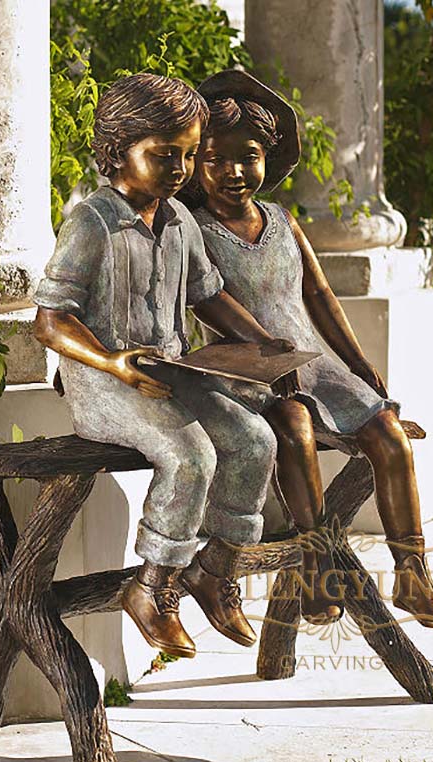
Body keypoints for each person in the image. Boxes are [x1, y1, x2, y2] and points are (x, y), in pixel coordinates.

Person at [186, 69, 433, 629]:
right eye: (216, 159)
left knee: (387, 431)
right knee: (294, 428)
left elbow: (318, 295)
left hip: (315, 361)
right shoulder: (191, 228)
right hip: (248, 373)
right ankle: (317, 567)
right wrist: (267, 353)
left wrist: (358, 365)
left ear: (268, 158)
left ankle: (413, 576)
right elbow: (207, 303)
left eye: (250, 156)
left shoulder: (284, 222)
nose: (235, 172)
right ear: (195, 163)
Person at [33, 73, 294, 659]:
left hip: (172, 371)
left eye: (187, 155)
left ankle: (214, 570)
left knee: (254, 440)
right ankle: (153, 587)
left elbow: (207, 295)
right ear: (118, 148)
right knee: (192, 454)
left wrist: (263, 342)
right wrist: (113, 361)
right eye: (162, 154)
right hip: (103, 382)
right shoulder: (92, 222)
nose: (178, 168)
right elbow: (49, 321)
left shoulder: (178, 220)